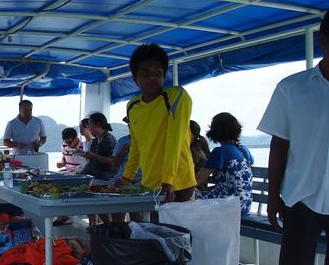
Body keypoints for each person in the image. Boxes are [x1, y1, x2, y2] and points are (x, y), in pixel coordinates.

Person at [258, 11, 329, 265]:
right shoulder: (293, 87)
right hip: (301, 196)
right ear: (323, 41)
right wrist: (273, 197)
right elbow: (279, 144)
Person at [118, 43, 196, 203]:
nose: (152, 77)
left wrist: (168, 182)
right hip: (150, 183)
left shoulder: (177, 96)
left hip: (179, 184)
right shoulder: (132, 106)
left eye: (157, 72)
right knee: (150, 227)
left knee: (172, 228)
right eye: (145, 73)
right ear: (135, 78)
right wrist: (126, 178)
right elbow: (136, 146)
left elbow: (175, 139)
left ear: (164, 75)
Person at [195, 113, 254, 214]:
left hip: (228, 205)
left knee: (186, 196)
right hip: (244, 204)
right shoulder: (244, 150)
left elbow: (197, 180)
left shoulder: (220, 152)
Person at [75, 112, 116, 181]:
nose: (89, 128)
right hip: (94, 175)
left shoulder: (109, 140)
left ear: (98, 124)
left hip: (106, 176)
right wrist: (79, 177)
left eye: (90, 125)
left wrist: (93, 156)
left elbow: (113, 161)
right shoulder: (95, 141)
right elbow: (90, 162)